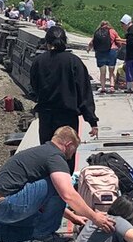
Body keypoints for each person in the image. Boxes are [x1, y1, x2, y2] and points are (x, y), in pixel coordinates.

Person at [0, 127, 114, 242]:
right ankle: (44, 236)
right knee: (58, 185)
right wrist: (95, 217)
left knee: (40, 223)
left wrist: (73, 217)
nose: (74, 153)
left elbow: (46, 196)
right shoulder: (55, 157)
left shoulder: (42, 152)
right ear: (68, 144)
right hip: (8, 205)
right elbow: (67, 194)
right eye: (75, 148)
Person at [29, 26, 99, 171]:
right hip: (68, 117)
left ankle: (50, 187)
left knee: (48, 155)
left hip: (46, 115)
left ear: (47, 42)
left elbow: (34, 88)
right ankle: (65, 187)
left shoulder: (38, 61)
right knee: (67, 155)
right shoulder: (74, 61)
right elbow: (84, 92)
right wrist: (91, 119)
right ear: (65, 41)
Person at [88, 20, 122, 94]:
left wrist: (88, 48)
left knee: (102, 72)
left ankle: (103, 88)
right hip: (111, 52)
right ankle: (112, 87)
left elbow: (92, 42)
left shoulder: (97, 32)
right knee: (111, 71)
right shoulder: (112, 31)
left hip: (100, 53)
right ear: (108, 25)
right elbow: (119, 41)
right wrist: (119, 47)